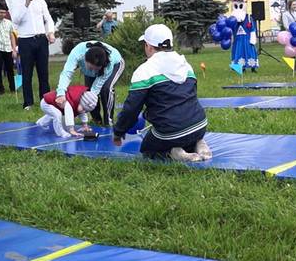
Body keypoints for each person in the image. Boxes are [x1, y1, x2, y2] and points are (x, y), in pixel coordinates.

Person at [113, 24, 211, 162]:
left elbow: (131, 109)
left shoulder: (144, 71)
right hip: (200, 124)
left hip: (171, 132)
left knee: (147, 149)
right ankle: (198, 142)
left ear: (149, 46)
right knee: (185, 131)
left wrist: (118, 132)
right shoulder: (185, 64)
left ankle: (172, 152)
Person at [10, 0, 55, 110]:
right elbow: (16, 21)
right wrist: (26, 4)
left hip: (41, 39)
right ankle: (28, 102)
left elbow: (48, 19)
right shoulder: (16, 1)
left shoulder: (40, 0)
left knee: (43, 72)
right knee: (27, 73)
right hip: (25, 40)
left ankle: (45, 101)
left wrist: (50, 32)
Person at [56, 41, 124, 126]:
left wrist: (84, 104)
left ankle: (108, 121)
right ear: (85, 60)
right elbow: (67, 73)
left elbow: (95, 89)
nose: (94, 71)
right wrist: (61, 93)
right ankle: (96, 120)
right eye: (91, 68)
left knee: (106, 89)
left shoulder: (108, 64)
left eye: (96, 69)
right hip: (93, 64)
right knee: (87, 91)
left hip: (117, 63)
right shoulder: (77, 53)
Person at [282, 0, 296, 72]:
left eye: (295, 4)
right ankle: (293, 68)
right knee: (292, 51)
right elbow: (286, 25)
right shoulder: (285, 14)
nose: (295, 6)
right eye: (293, 4)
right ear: (289, 6)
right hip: (291, 34)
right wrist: (292, 29)